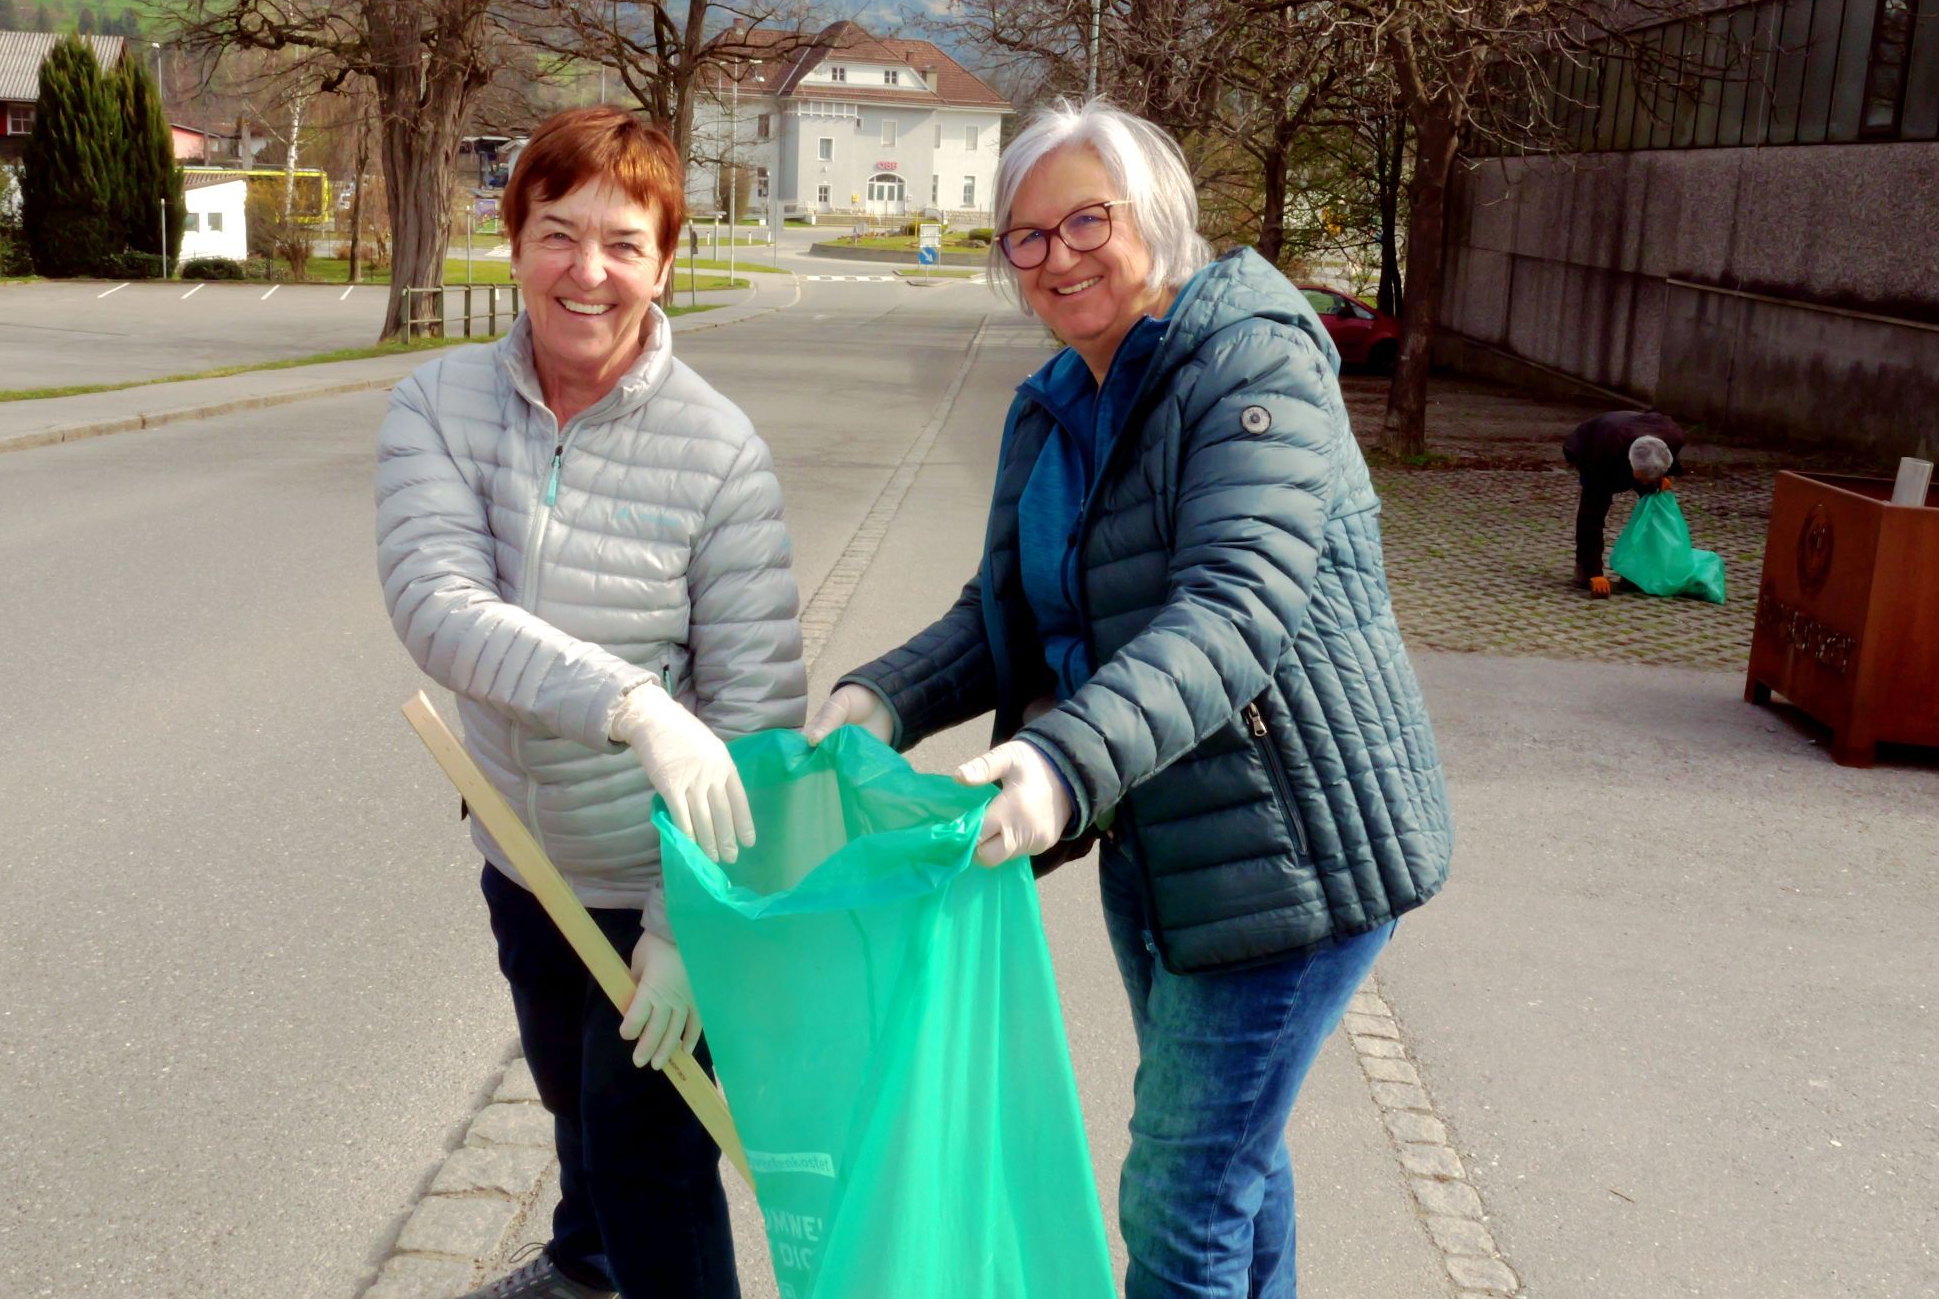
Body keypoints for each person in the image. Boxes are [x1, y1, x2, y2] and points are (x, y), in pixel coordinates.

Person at [803, 100, 1453, 1299]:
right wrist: (878, 697)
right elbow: (999, 608)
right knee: (1226, 1163)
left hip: (1293, 852)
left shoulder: (1253, 361)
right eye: (1027, 238)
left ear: (1156, 215)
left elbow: (1233, 606)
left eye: (1084, 219)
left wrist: (1056, 764)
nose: (1058, 256)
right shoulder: (1055, 401)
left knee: (1180, 1196)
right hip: (1159, 849)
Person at [376, 106, 805, 1299]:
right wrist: (633, 705)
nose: (587, 271)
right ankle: (584, 1265)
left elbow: (758, 712)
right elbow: (437, 604)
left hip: (662, 876)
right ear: (510, 240)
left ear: (665, 262)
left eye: (622, 242)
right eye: (557, 234)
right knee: (569, 1089)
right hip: (524, 852)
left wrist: (683, 928)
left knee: (651, 1149)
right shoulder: (438, 406)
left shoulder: (719, 452)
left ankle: (624, 1259)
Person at [1562, 409, 1687, 597]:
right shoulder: (1603, 455)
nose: (1644, 483)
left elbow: (1662, 457)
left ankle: (1639, 567)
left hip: (1638, 432)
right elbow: (1591, 518)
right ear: (1630, 465)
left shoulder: (1674, 437)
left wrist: (1662, 477)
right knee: (1595, 505)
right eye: (1642, 477)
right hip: (1591, 441)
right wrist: (1594, 573)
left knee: (1654, 499)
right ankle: (1584, 568)